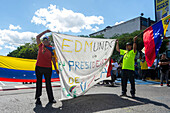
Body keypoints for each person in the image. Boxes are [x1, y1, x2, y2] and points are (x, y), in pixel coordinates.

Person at [35, 29, 59, 104]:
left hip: (48, 68)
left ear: (49, 41)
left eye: (46, 40)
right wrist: (45, 32)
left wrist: (56, 69)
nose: (45, 41)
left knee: (48, 83)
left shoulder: (52, 49)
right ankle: (38, 98)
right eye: (44, 40)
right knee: (39, 83)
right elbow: (37, 37)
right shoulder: (40, 46)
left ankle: (51, 99)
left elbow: (53, 60)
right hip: (38, 67)